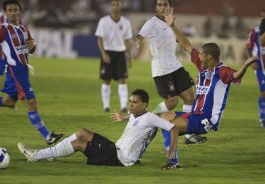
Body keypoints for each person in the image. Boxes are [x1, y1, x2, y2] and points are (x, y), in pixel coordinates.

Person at [156, 9, 258, 169]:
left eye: (202, 54)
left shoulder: (223, 72)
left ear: (209, 57)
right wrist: (173, 26)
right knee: (161, 119)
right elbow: (187, 45)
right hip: (195, 114)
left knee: (172, 126)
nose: (199, 56)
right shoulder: (202, 67)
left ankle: (172, 162)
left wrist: (245, 65)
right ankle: (154, 156)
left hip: (206, 119)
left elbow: (236, 76)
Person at [18, 89, 179, 168]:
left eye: (135, 102)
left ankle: (37, 155)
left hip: (120, 158)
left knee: (80, 142)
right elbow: (134, 119)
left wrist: (171, 150)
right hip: (115, 150)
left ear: (144, 104)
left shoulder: (150, 117)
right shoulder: (135, 116)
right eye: (130, 101)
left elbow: (173, 128)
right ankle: (51, 153)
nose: (131, 104)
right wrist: (124, 116)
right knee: (82, 132)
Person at [0, 0, 63, 145]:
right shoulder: (2, 29)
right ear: (6, 12)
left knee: (8, 101)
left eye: (15, 10)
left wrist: (34, 45)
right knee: (31, 103)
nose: (13, 12)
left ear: (19, 11)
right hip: (15, 71)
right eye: (10, 10)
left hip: (23, 70)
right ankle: (47, 137)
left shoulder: (24, 29)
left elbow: (31, 48)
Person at [135, 0, 206, 151]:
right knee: (172, 102)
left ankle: (188, 135)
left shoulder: (169, 23)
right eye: (159, 4)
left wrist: (193, 51)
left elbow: (180, 40)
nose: (161, 7)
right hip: (162, 69)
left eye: (164, 4)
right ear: (156, 7)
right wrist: (137, 44)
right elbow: (140, 36)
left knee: (190, 98)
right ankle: (148, 119)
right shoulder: (152, 23)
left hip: (175, 65)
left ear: (169, 7)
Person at [95, 0, 133, 113]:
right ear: (110, 7)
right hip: (108, 53)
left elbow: (127, 41)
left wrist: (129, 57)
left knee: (123, 80)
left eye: (117, 4)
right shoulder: (103, 21)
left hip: (120, 53)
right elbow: (100, 39)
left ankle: (123, 106)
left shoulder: (126, 22)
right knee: (106, 80)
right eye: (113, 4)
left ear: (120, 6)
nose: (115, 6)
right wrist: (103, 54)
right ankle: (106, 106)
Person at [246, 10, 265, 128]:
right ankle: (263, 118)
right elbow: (248, 48)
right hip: (261, 64)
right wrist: (251, 61)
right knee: (264, 92)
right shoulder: (255, 31)